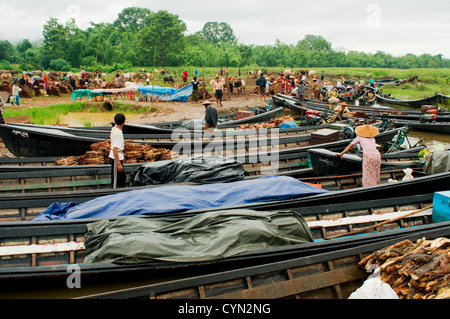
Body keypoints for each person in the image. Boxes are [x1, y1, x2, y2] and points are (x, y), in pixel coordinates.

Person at [109, 113, 126, 189]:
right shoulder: (118, 133)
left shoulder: (114, 128)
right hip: (116, 158)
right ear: (124, 122)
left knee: (122, 179)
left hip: (117, 156)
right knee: (116, 180)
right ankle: (114, 192)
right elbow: (114, 149)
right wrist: (118, 163)